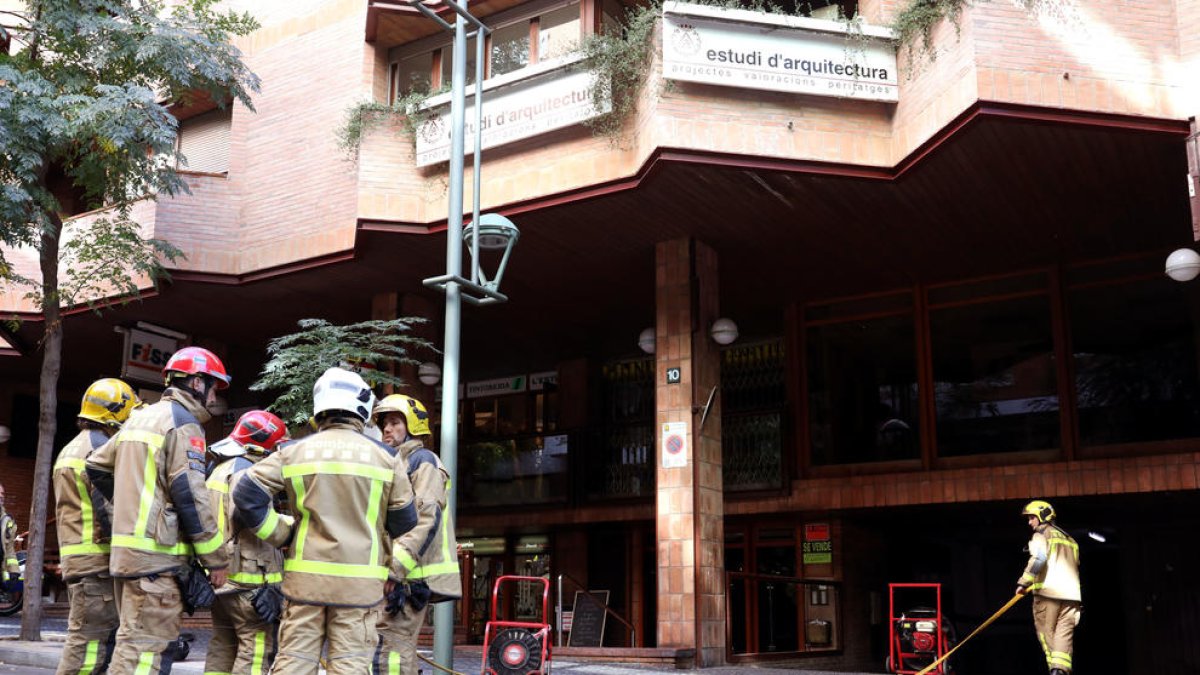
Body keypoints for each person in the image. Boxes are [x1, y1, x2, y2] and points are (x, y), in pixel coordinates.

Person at [233, 367, 417, 675]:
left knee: (294, 663)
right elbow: (405, 521)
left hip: (305, 583)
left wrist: (283, 534)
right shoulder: (386, 457)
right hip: (359, 587)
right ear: (361, 407)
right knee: (350, 665)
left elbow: (246, 494)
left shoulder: (293, 451)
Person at [86, 346, 231, 673]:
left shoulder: (139, 419)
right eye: (213, 387)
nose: (214, 397)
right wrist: (216, 559)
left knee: (130, 648)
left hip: (129, 558)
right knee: (148, 655)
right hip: (157, 561)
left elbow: (95, 465)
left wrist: (130, 503)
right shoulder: (184, 424)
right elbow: (191, 495)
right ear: (196, 382)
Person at [52, 377, 140, 675]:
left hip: (81, 559)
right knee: (88, 645)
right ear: (117, 413)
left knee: (90, 640)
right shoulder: (100, 451)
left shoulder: (72, 448)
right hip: (97, 563)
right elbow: (109, 510)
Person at [372, 395, 461, 675]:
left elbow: (425, 518)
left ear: (413, 426)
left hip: (408, 577)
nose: (387, 429)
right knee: (393, 647)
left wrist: (395, 569)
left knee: (391, 649)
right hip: (400, 575)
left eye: (395, 422)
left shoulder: (422, 461)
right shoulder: (396, 463)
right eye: (385, 424)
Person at [203, 410, 290, 675]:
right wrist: (292, 527)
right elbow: (249, 516)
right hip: (249, 581)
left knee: (222, 645)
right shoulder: (250, 473)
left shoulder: (220, 469)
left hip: (221, 578)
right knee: (255, 648)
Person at [1016, 500, 1081, 675]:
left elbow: (1039, 558)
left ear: (1042, 516)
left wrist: (1024, 582)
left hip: (1048, 595)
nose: (1029, 522)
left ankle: (1054, 669)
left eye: (1032, 517)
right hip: (1071, 597)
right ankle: (1059, 671)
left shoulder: (1041, 535)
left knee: (1047, 634)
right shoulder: (1071, 540)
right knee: (1063, 636)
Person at [0, 483, 18, 587]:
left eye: (2, 493)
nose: (1, 496)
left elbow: (10, 549)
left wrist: (14, 571)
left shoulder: (7, 521)